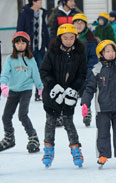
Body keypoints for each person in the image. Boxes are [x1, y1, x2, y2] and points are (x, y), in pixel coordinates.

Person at [81, 40, 116, 167]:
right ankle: (103, 155)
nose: (111, 53)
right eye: (107, 51)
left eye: (112, 51)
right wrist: (85, 103)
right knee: (103, 133)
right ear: (101, 54)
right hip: (103, 108)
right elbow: (89, 88)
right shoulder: (96, 70)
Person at [39, 24, 87, 168]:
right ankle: (48, 149)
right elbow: (44, 71)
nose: (68, 41)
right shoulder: (52, 52)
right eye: (65, 38)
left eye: (71, 38)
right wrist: (53, 85)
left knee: (68, 122)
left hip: (68, 96)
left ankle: (75, 149)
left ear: (75, 38)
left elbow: (82, 74)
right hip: (52, 94)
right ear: (60, 38)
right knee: (50, 122)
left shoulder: (79, 53)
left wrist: (74, 89)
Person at [0, 32, 43, 153]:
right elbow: (5, 74)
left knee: (22, 115)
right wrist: (3, 85)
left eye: (23, 42)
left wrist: (40, 88)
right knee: (6, 116)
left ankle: (33, 138)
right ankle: (9, 138)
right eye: (17, 42)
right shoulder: (10, 59)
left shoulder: (31, 59)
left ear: (27, 44)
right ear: (14, 44)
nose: (20, 45)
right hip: (13, 90)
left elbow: (35, 74)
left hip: (26, 90)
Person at [17, 0, 50, 101]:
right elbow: (20, 30)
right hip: (28, 49)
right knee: (26, 72)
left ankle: (39, 93)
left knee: (41, 70)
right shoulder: (24, 13)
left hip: (40, 48)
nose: (41, 2)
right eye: (40, 1)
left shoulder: (42, 13)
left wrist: (49, 47)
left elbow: (45, 30)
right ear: (34, 2)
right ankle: (21, 93)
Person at [72, 13, 98, 127]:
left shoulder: (91, 40)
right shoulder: (67, 38)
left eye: (81, 23)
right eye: (76, 23)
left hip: (85, 71)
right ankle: (62, 115)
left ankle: (86, 111)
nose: (78, 25)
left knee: (85, 94)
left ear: (85, 25)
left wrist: (89, 71)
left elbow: (93, 58)